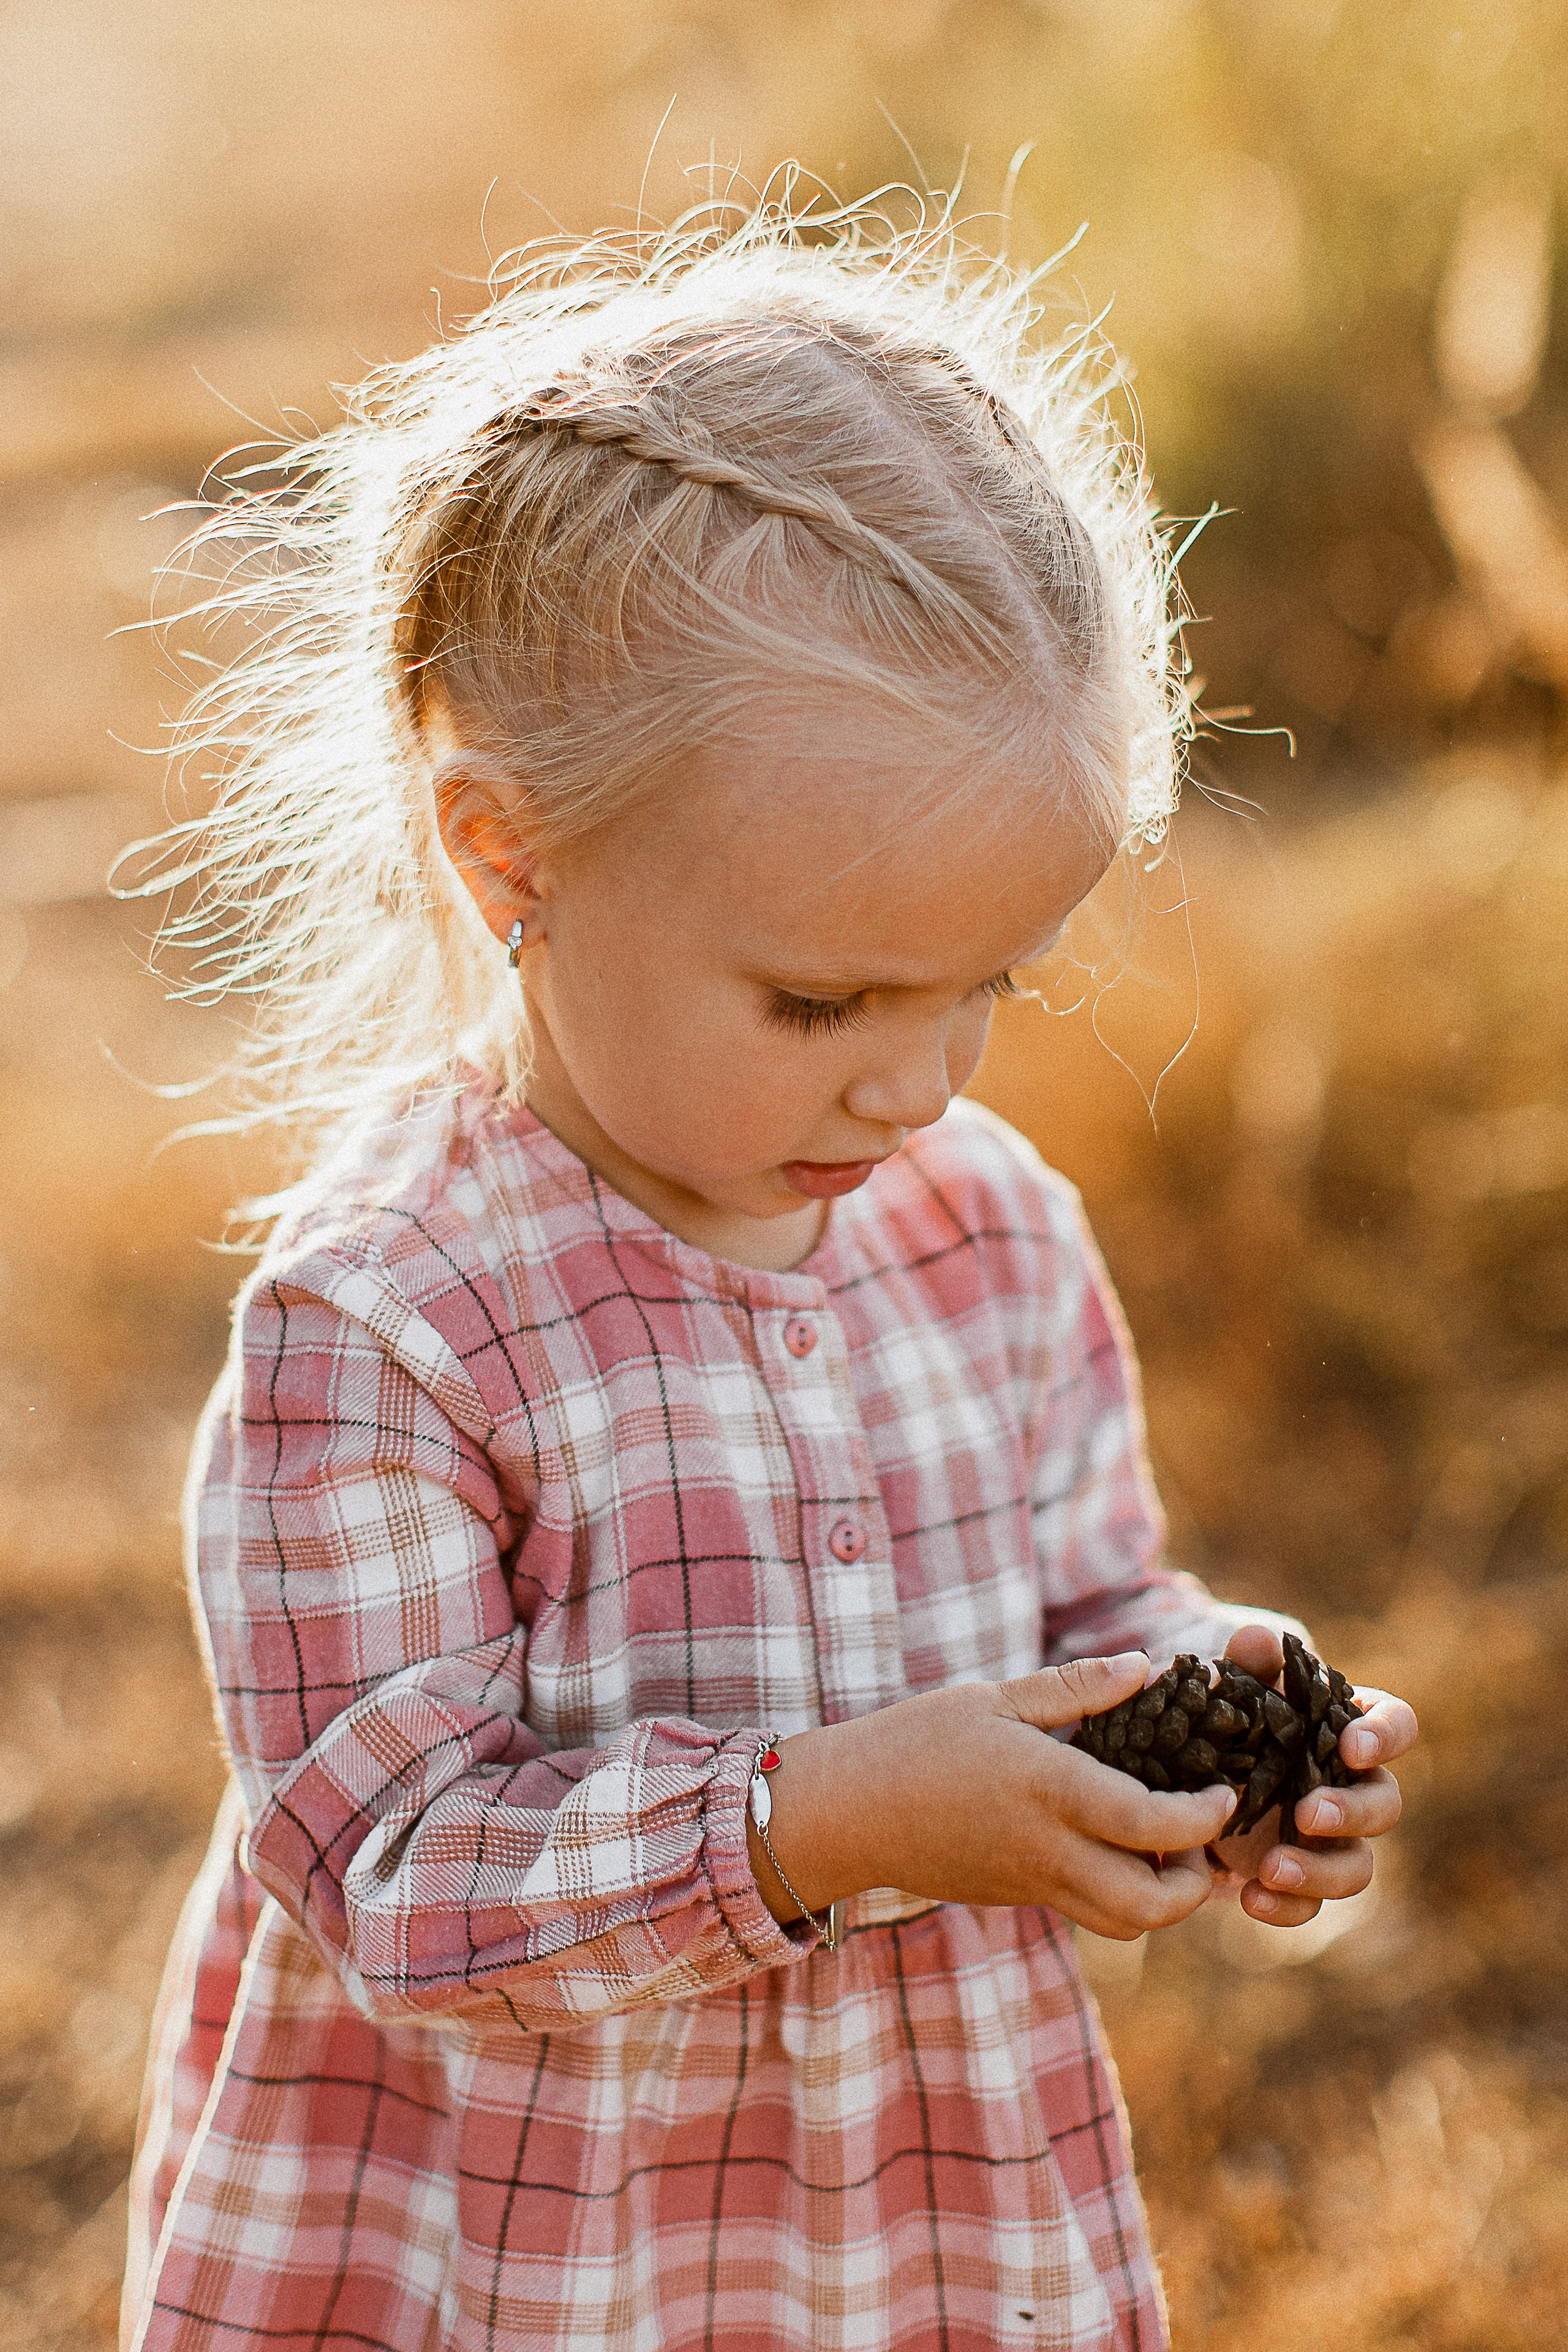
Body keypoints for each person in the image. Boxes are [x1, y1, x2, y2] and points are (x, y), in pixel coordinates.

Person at [121, 196, 1416, 2352]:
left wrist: (1219, 1722)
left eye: (987, 980)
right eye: (822, 1004)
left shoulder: (990, 1230)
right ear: (504, 849)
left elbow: (1086, 1600)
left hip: (913, 2216)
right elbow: (393, 1871)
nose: (919, 1083)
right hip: (527, 2238)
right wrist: (821, 1823)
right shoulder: (393, 1328)